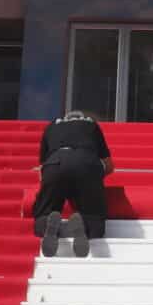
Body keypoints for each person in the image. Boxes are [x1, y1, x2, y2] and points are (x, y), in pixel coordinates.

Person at [31, 109, 112, 258]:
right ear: (83, 117)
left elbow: (42, 169)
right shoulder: (91, 125)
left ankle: (48, 222)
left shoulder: (51, 127)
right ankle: (84, 223)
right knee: (95, 219)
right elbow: (109, 165)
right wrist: (95, 181)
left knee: (41, 214)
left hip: (56, 164)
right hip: (86, 164)